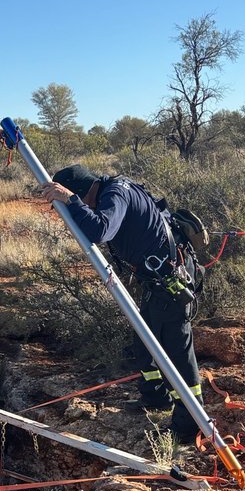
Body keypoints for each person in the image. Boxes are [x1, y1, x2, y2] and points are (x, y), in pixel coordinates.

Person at [42, 166, 203, 444]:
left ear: (85, 190)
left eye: (82, 198)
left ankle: (190, 422)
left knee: (175, 347)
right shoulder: (115, 190)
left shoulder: (115, 194)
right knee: (144, 340)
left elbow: (101, 230)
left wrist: (72, 201)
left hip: (170, 278)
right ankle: (155, 398)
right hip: (157, 278)